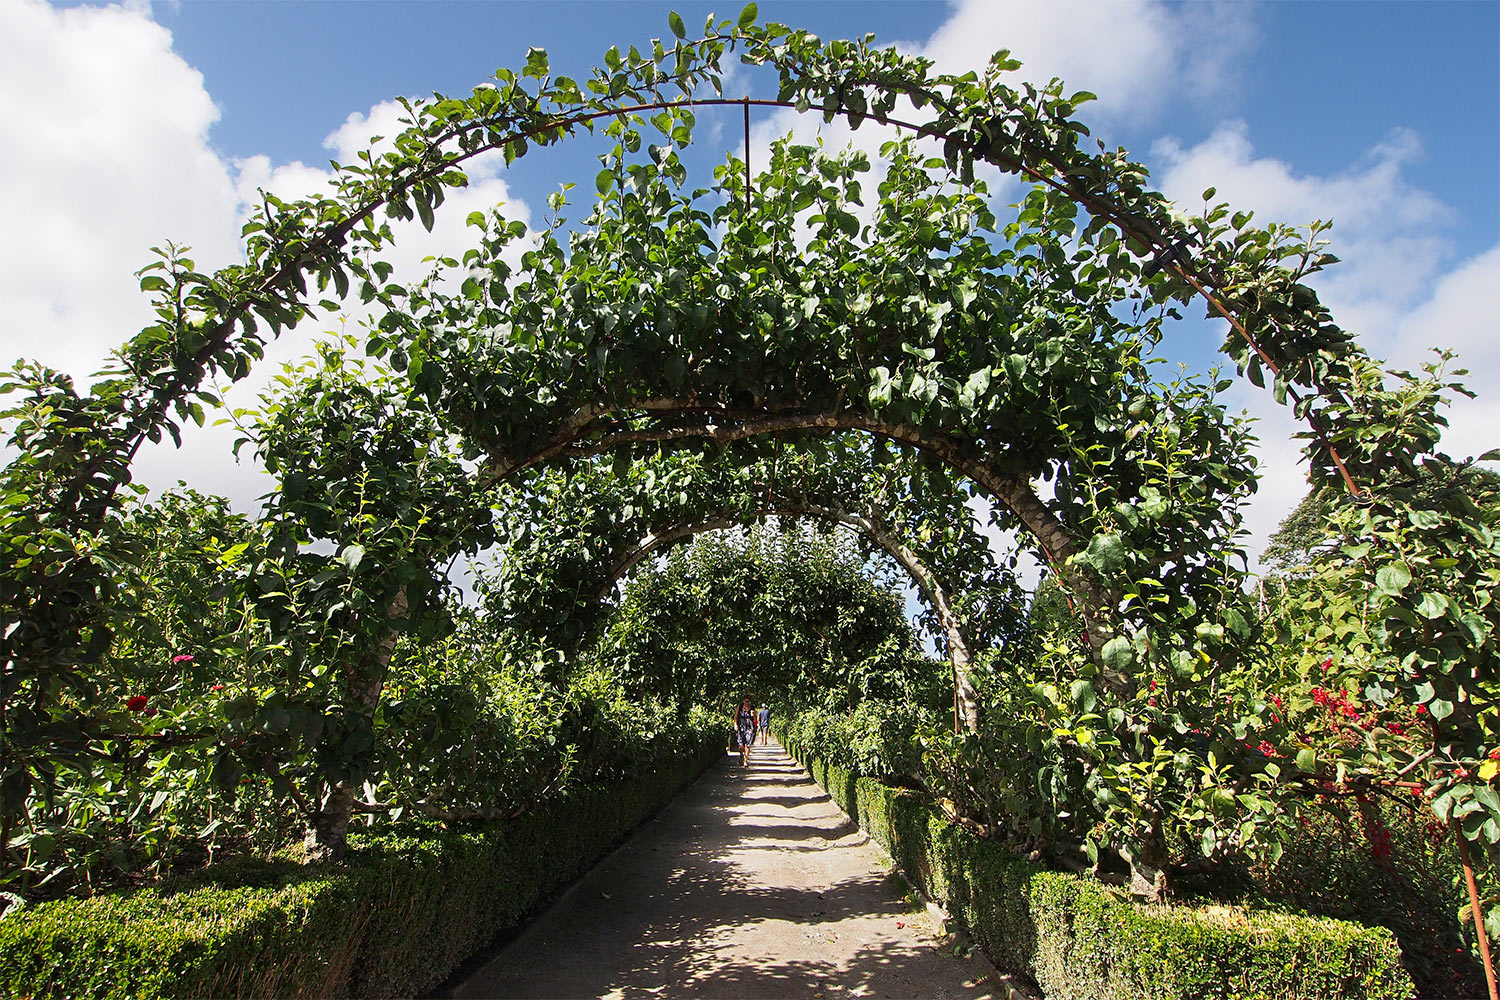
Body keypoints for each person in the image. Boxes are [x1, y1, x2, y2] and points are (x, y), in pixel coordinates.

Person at [733, 696, 757, 767]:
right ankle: (741, 756)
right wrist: (735, 724)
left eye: (748, 701)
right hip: (741, 726)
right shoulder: (740, 706)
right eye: (745, 701)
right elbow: (736, 716)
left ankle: (746, 760)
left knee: (748, 744)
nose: (747, 703)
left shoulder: (752, 708)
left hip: (749, 727)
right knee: (741, 745)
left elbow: (755, 720)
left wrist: (754, 715)